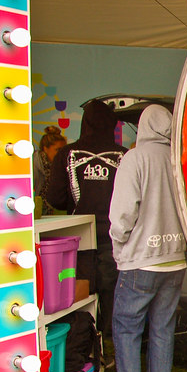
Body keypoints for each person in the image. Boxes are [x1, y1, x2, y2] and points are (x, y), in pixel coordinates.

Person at [91, 104, 186, 372]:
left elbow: (121, 215)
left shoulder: (134, 159)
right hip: (174, 261)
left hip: (140, 261)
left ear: (144, 127)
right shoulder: (177, 161)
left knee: (127, 328)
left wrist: (119, 244)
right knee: (163, 328)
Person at [47, 100, 127, 337]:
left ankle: (84, 339)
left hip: (79, 238)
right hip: (114, 237)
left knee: (82, 293)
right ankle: (111, 340)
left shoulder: (66, 154)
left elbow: (55, 197)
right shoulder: (122, 156)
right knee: (112, 293)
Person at [33, 125, 67, 216]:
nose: (61, 154)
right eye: (57, 150)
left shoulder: (58, 166)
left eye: (63, 150)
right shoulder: (33, 165)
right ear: (45, 148)